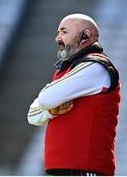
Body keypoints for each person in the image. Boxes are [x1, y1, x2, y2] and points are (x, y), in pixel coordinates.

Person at [27, 13, 121, 176]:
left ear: (86, 35)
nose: (58, 38)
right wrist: (51, 111)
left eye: (64, 32)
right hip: (66, 169)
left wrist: (47, 102)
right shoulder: (72, 69)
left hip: (86, 169)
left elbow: (44, 99)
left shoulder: (95, 66)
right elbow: (32, 116)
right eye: (58, 33)